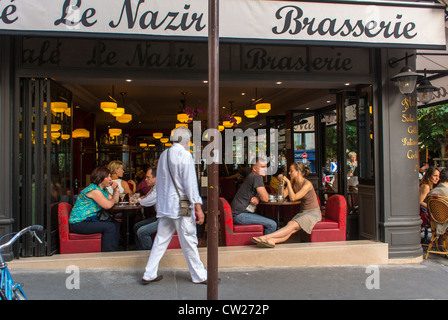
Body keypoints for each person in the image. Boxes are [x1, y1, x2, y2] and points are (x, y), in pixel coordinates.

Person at [142, 126, 207, 285]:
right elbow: (190, 184)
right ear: (187, 140)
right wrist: (198, 207)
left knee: (160, 240)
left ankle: (149, 273)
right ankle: (200, 276)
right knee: (189, 240)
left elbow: (161, 183)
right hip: (181, 206)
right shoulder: (185, 155)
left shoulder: (164, 155)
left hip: (165, 206)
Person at [251, 162, 321, 248]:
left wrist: (288, 182)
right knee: (290, 227)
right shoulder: (293, 182)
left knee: (292, 225)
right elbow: (283, 195)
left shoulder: (307, 184)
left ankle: (266, 237)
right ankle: (272, 240)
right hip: (303, 212)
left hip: (313, 213)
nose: (289, 173)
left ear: (298, 172)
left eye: (291, 171)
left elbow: (293, 198)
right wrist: (281, 182)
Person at [69, 167, 121, 252]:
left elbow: (115, 201)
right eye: (108, 177)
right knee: (110, 227)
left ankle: (113, 251)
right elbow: (108, 205)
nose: (110, 179)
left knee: (115, 224)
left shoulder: (103, 189)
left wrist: (116, 189)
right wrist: (111, 201)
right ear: (100, 178)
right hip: (79, 223)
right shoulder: (94, 190)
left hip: (89, 220)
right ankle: (109, 254)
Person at [230, 159, 277, 235]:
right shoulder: (256, 177)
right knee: (272, 225)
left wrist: (258, 198)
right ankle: (264, 243)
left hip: (238, 214)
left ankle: (262, 241)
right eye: (262, 167)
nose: (265, 169)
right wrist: (260, 197)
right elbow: (265, 198)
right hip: (240, 215)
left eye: (265, 167)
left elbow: (261, 196)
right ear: (254, 169)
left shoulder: (252, 176)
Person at [133, 167, 159, 250]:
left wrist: (137, 200)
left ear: (156, 177)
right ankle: (140, 250)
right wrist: (141, 199)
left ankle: (149, 254)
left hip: (167, 219)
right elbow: (147, 197)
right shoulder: (154, 187)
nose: (146, 179)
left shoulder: (159, 188)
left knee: (142, 232)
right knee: (137, 226)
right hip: (159, 217)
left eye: (148, 177)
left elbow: (147, 201)